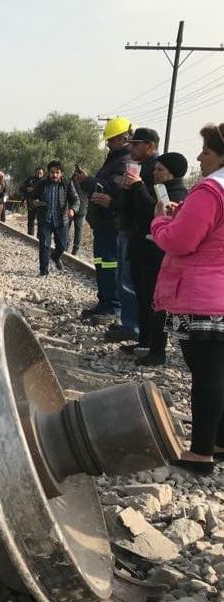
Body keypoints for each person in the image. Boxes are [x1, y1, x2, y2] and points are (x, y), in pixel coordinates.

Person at [150, 123, 224, 475]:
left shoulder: (211, 191)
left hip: (205, 297)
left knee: (207, 373)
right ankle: (220, 441)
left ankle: (201, 453)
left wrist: (159, 224)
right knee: (220, 372)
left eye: (206, 152)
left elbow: (181, 242)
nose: (199, 157)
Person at [118, 128, 167, 363]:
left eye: (135, 144)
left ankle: (152, 345)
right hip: (137, 239)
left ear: (149, 145)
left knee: (150, 296)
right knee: (140, 292)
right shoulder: (138, 168)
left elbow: (155, 208)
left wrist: (137, 186)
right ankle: (143, 340)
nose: (131, 148)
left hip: (151, 244)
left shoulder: (158, 170)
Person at [82, 116, 131, 321]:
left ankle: (113, 306)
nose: (109, 143)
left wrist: (88, 181)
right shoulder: (114, 158)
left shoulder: (125, 161)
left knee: (110, 264)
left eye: (111, 139)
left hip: (112, 222)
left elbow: (111, 187)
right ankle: (104, 302)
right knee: (102, 263)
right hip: (103, 223)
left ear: (123, 138)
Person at [29, 161, 79, 276]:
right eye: (52, 172)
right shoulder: (42, 184)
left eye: (57, 172)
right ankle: (43, 271)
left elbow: (76, 200)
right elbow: (31, 198)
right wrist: (36, 204)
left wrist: (72, 210)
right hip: (45, 219)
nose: (54, 175)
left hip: (62, 220)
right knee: (45, 245)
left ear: (61, 173)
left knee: (62, 245)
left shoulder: (67, 184)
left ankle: (55, 257)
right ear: (48, 173)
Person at [70, 166, 89, 255]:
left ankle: (71, 249)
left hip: (76, 209)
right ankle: (74, 250)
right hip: (77, 209)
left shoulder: (71, 182)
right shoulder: (85, 183)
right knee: (78, 230)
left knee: (74, 230)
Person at [24, 167, 45, 235]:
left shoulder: (45, 181)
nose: (39, 174)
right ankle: (30, 234)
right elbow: (22, 187)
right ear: (35, 173)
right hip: (31, 201)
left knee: (40, 220)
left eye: (40, 173)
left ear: (43, 174)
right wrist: (27, 189)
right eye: (38, 173)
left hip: (40, 203)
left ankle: (39, 236)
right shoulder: (30, 179)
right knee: (31, 219)